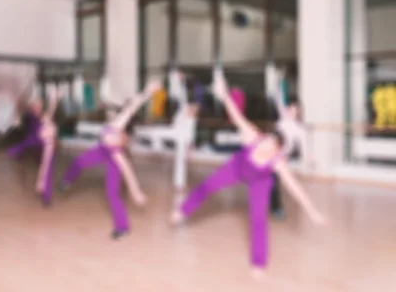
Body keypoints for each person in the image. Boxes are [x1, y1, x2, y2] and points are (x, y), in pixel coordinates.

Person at [171, 73, 327, 278]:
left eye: (270, 147)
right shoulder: (253, 135)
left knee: (258, 219)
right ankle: (183, 211)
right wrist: (224, 94)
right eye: (265, 142)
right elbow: (236, 115)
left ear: (276, 151)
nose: (264, 147)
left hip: (260, 180)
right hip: (238, 165)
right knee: (209, 185)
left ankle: (259, 263)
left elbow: (295, 188)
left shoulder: (278, 162)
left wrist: (312, 211)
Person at [59, 79, 161, 239]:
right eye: (116, 138)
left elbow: (128, 173)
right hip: (101, 150)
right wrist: (148, 91)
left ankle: (122, 227)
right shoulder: (116, 125)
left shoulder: (117, 154)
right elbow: (133, 106)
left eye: (117, 141)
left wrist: (136, 192)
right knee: (79, 162)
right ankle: (67, 181)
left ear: (121, 142)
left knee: (112, 194)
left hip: (109, 156)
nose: (114, 139)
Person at [270, 70, 314, 220]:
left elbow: (304, 146)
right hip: (270, 150)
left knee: (274, 182)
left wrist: (309, 159)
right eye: (290, 109)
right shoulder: (283, 116)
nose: (291, 112)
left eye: (295, 111)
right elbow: (278, 97)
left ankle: (277, 208)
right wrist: (279, 81)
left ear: (298, 113)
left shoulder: (300, 130)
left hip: (281, 156)